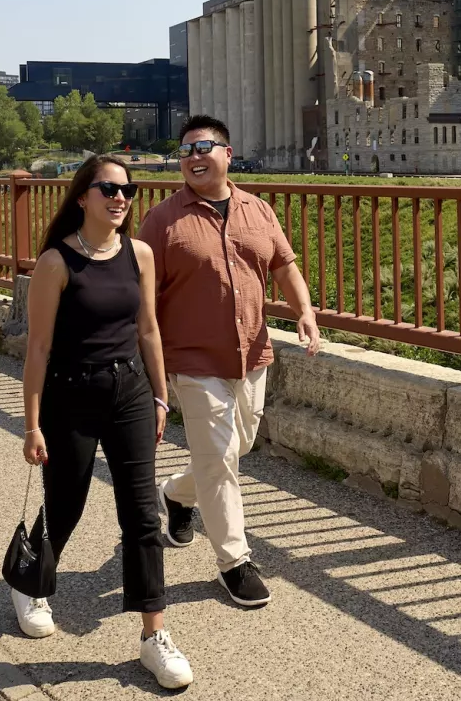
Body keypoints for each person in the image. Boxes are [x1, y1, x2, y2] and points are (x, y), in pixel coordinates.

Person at [17, 155, 193, 689]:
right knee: (65, 505)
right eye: (108, 188)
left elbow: (149, 330)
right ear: (81, 196)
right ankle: (30, 586)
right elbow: (39, 347)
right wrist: (32, 423)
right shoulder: (56, 263)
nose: (120, 198)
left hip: (131, 394)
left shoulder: (139, 254)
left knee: (141, 515)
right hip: (71, 394)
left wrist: (161, 398)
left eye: (127, 189)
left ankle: (153, 637)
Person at [139, 116, 320, 609]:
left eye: (204, 147)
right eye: (185, 151)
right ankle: (234, 562)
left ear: (227, 153)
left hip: (252, 352)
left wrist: (304, 311)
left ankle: (176, 495)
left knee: (235, 446)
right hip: (192, 358)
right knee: (219, 457)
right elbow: (141, 290)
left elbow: (284, 265)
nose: (194, 157)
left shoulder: (258, 211)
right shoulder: (162, 220)